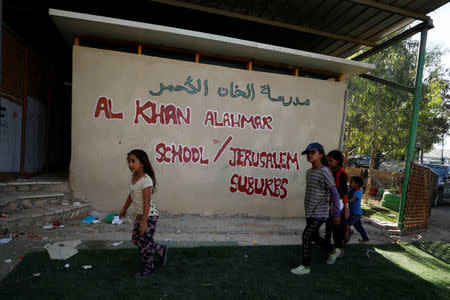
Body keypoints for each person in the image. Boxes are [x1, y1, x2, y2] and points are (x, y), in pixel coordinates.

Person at [290, 143, 342, 276]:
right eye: (308, 153)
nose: (309, 155)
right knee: (313, 236)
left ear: (321, 155)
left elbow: (335, 194)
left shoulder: (325, 172)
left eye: (312, 152)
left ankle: (305, 266)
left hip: (320, 212)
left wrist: (337, 214)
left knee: (306, 235)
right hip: (310, 211)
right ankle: (333, 250)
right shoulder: (309, 172)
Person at [119, 149, 168, 279]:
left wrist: (144, 222)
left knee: (144, 245)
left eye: (133, 161)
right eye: (129, 161)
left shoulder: (146, 180)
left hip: (149, 216)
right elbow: (131, 195)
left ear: (142, 163)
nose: (130, 164)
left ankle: (149, 270)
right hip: (140, 215)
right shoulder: (133, 178)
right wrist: (124, 209)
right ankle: (160, 249)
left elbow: (146, 202)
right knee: (137, 240)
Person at [324, 150, 348, 257]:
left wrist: (332, 191)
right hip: (330, 204)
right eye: (327, 160)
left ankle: (339, 249)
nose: (329, 162)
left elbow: (343, 191)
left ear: (337, 161)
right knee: (328, 226)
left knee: (337, 229)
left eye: (331, 160)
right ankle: (327, 246)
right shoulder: (329, 171)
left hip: (338, 205)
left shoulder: (342, 174)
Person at [344, 176, 370, 243]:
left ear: (357, 184)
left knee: (346, 225)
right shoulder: (352, 190)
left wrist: (343, 200)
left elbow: (352, 200)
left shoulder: (358, 192)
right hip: (354, 213)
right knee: (359, 227)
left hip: (356, 214)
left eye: (351, 182)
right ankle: (365, 238)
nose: (350, 184)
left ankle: (349, 233)